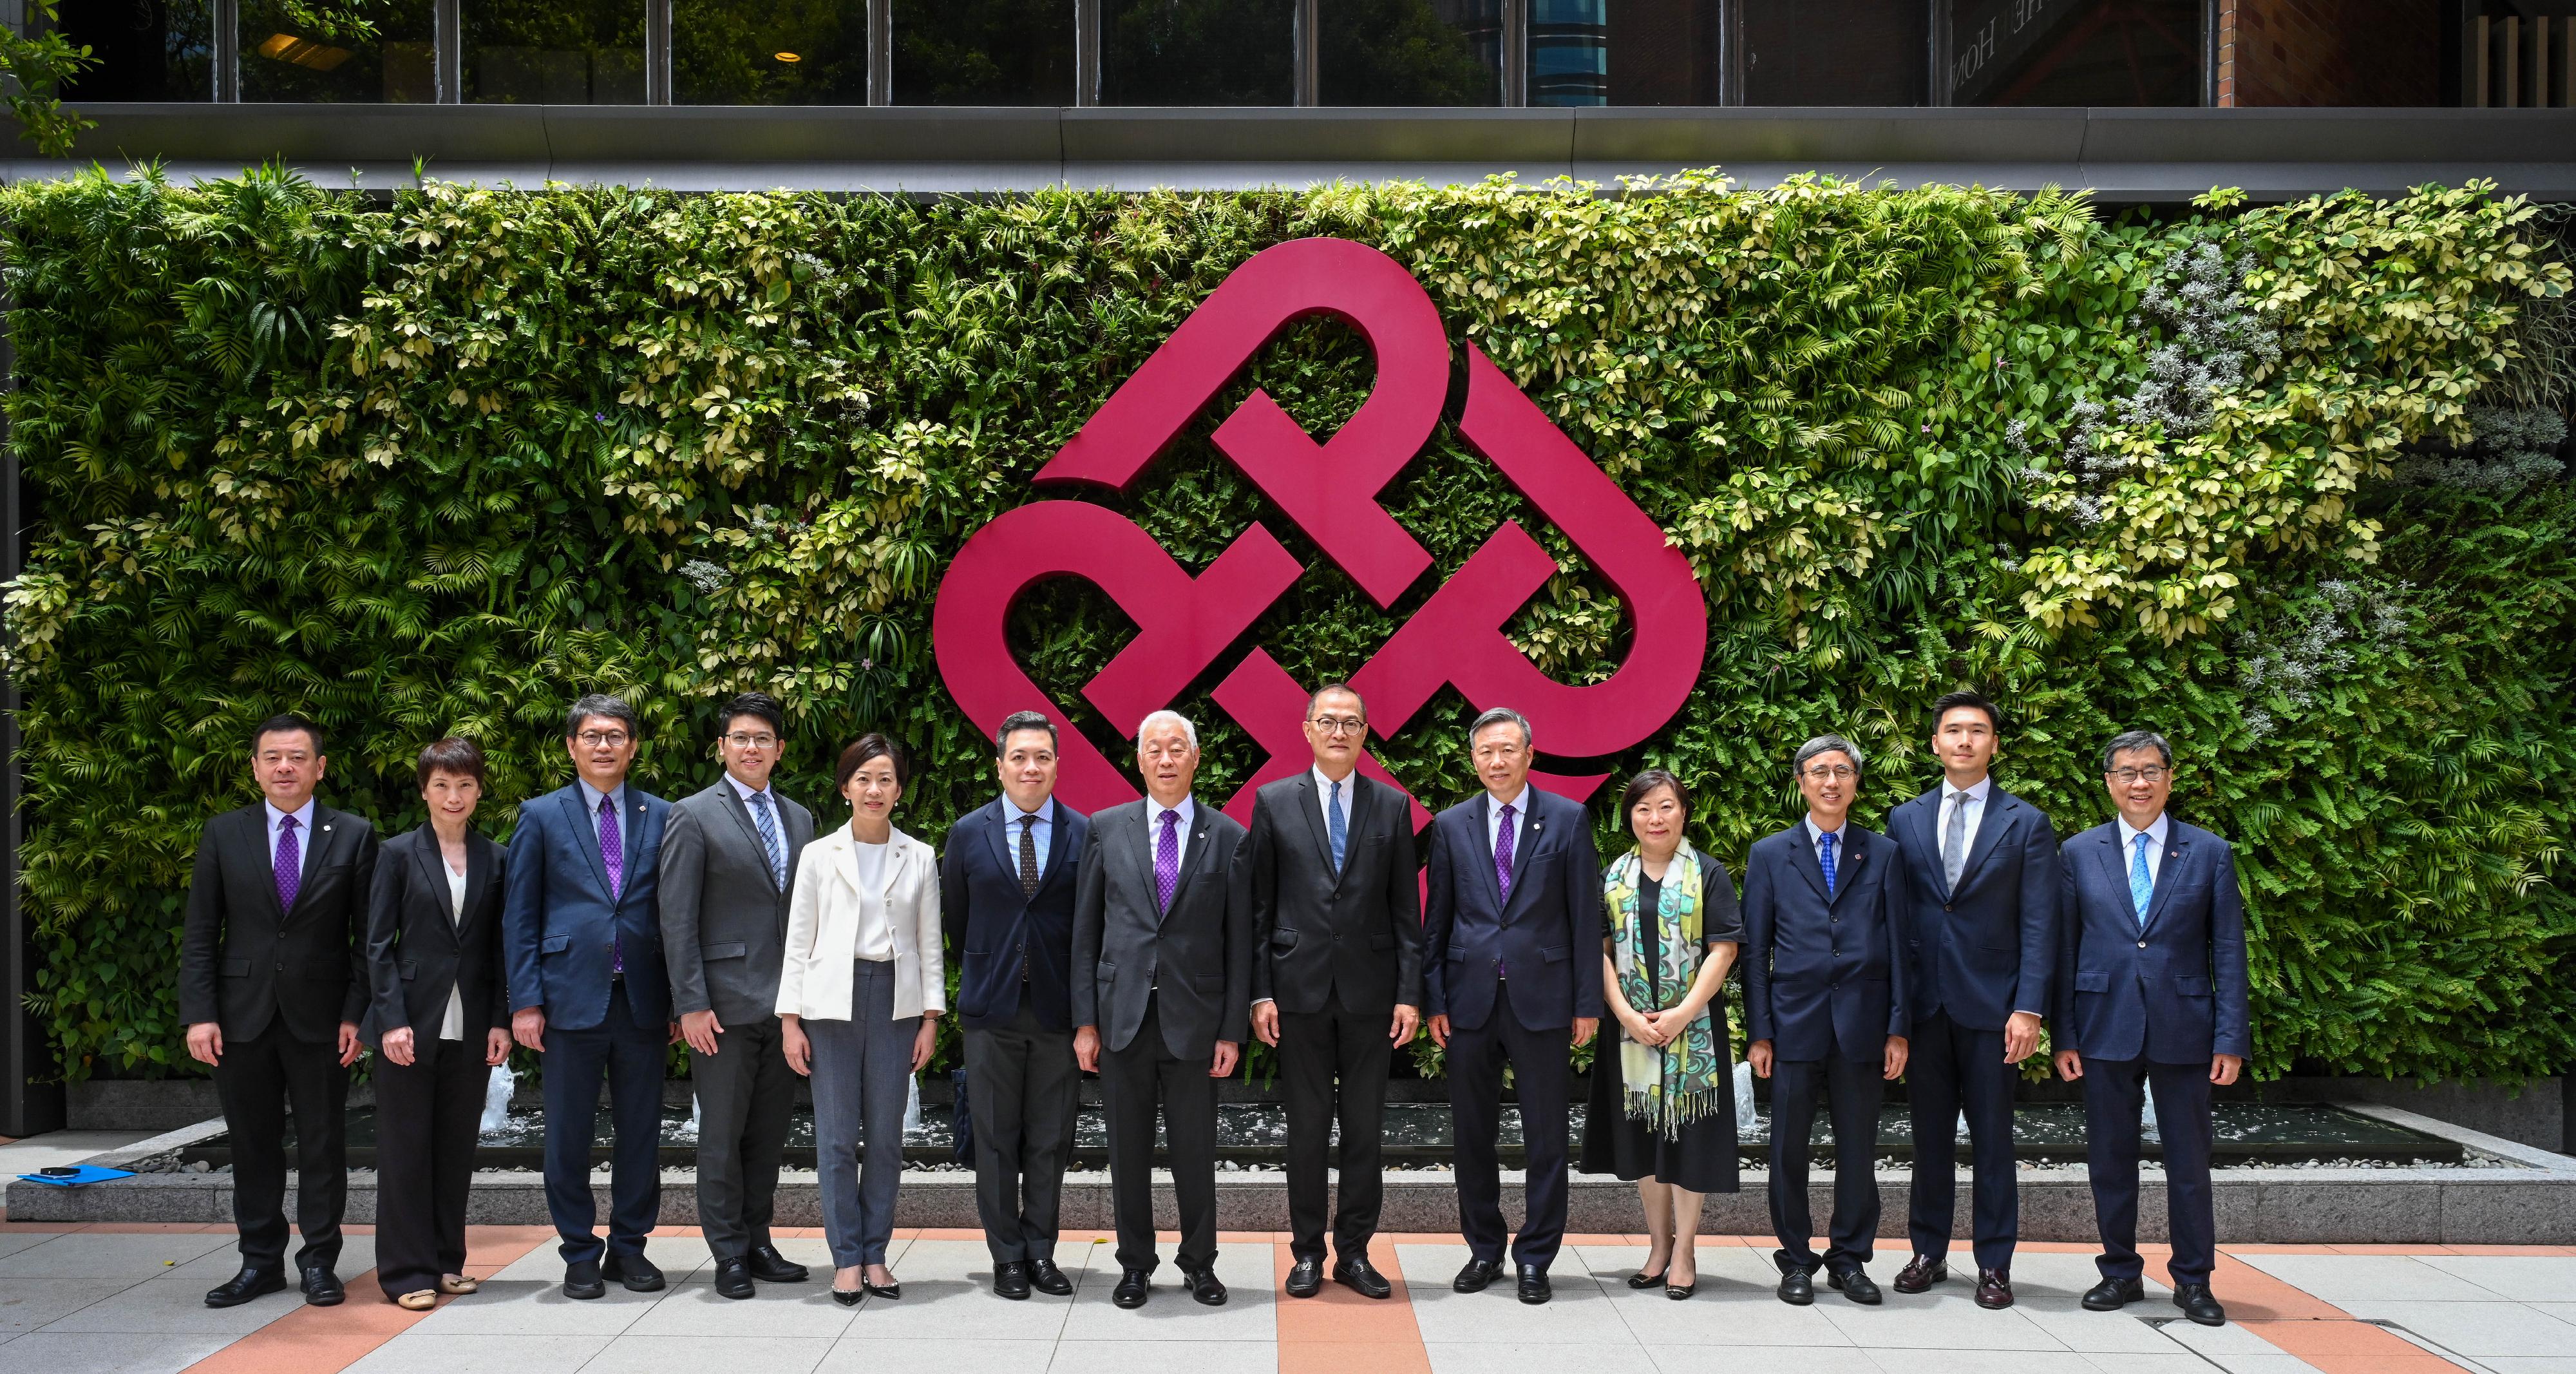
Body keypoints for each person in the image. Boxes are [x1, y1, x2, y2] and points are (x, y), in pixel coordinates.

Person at [178, 713, 379, 1310]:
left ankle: (319, 1261)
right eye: (272, 757)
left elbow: (368, 935)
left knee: (323, 1143)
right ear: (255, 766)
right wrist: (200, 1012)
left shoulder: (352, 833)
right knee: (251, 1143)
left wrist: (356, 1013)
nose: (284, 767)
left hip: (322, 1018)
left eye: (297, 757)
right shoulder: (223, 833)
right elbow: (200, 932)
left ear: (320, 767)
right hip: (239, 1017)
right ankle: (259, 1262)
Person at [2054, 729, 2249, 1328]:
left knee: (2188, 1161)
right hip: (2101, 1025)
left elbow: (2229, 952)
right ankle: (2119, 1272)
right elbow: (2064, 948)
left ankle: (2194, 1279)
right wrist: (2063, 1034)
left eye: (2150, 770)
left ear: (2170, 776)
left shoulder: (2209, 852)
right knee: (2110, 1159)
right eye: (2126, 772)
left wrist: (2230, 1038)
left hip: (2185, 1026)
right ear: (2108, 782)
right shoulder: (2078, 852)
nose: (2139, 782)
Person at [1245, 683, 1422, 1301]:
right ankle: (1305, 1252)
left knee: (1366, 1129)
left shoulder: (1392, 806)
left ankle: (1354, 1252)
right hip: (1297, 993)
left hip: (1372, 995)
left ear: (1365, 732)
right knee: (1307, 1128)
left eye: (1351, 721)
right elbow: (1259, 908)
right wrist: (1259, 992)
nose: (1340, 731)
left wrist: (1409, 993)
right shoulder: (1272, 802)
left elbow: (1406, 911)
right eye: (1329, 721)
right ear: (1308, 729)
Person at [1884, 690, 2059, 1308]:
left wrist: (2030, 1007)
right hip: (1926, 1009)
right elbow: (1895, 919)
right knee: (1927, 1139)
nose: (1964, 740)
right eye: (1953, 730)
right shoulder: (1904, 819)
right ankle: (1927, 1251)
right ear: (1934, 743)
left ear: (1993, 744)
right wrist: (1896, 1016)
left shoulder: (2027, 822)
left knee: (1993, 1140)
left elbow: (2041, 922)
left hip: (1995, 1010)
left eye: (1977, 731)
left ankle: (1995, 1264)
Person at [1072, 709, 1251, 1311]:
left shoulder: (1228, 836)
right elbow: (1086, 931)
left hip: (1195, 1022)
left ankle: (1200, 1263)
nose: (1167, 759)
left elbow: (1237, 942)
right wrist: (1085, 1021)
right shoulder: (1106, 827)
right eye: (1155, 749)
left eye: (1178, 748)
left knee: (1196, 1152)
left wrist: (1232, 1029)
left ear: (1196, 758)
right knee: (1127, 1153)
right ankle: (1134, 1264)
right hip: (1121, 1016)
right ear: (1140, 759)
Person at [1423, 706, 1602, 1306]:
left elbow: (1584, 920)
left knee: (1547, 1135)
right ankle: (1484, 1248)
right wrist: (1434, 998)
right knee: (1471, 1132)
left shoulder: (1568, 819)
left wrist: (1586, 1003)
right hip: (1469, 1000)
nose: (1496, 761)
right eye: (1485, 752)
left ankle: (1536, 1256)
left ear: (1530, 752)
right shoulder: (1450, 825)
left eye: (1507, 750)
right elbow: (1438, 918)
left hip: (1544, 999)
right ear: (1473, 759)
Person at [502, 693, 676, 1301]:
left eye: (616, 735)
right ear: (572, 745)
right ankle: (579, 1250)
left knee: (641, 1132)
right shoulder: (541, 815)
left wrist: (682, 1000)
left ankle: (630, 1247)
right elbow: (519, 913)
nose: (604, 745)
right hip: (567, 998)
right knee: (567, 1135)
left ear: (633, 746)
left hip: (644, 999)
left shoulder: (663, 814)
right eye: (592, 735)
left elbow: (675, 915)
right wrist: (525, 1000)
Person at [1743, 733, 1910, 1307]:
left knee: (1859, 1147)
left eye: (1842, 770)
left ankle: (1849, 1258)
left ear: (1856, 782)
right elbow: (1755, 950)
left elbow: (1899, 945)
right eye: (1820, 771)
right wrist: (1759, 1031)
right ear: (1801, 782)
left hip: (1863, 1025)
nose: (1831, 780)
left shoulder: (1884, 853)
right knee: (1788, 1147)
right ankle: (1795, 1259)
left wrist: (1898, 1026)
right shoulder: (1769, 854)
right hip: (1793, 1024)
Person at [658, 691, 816, 1299]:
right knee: (721, 1134)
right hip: (718, 1008)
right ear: (722, 746)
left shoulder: (800, 818)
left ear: (779, 748)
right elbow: (676, 917)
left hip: (784, 1009)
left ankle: (758, 1239)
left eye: (764, 738)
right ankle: (727, 1253)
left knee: (768, 1133)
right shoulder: (693, 814)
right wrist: (689, 1002)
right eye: (741, 738)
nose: (753, 747)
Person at [779, 734, 944, 1305]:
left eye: (886, 779)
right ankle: (845, 1258)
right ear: (846, 785)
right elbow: (799, 940)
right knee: (835, 1137)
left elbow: (929, 943)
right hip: (830, 1003)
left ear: (900, 790)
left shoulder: (919, 855)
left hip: (896, 1003)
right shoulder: (819, 854)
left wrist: (930, 1018)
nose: (874, 789)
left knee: (887, 1137)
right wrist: (790, 1019)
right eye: (863, 778)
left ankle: (876, 1253)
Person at [941, 710, 1091, 1300]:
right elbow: (957, 917)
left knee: (1049, 1138)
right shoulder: (967, 833)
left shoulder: (1085, 832)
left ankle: (1042, 1250)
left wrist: (1088, 1015)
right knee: (996, 1136)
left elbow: (1091, 926)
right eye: (1020, 757)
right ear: (1000, 764)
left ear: (1057, 765)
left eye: (1043, 757)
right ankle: (1006, 1255)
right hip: (991, 1009)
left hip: (1058, 1011)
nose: (1032, 767)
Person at [1580, 767, 1742, 1302]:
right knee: (1645, 1140)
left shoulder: (1708, 873)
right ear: (1630, 816)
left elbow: (1724, 949)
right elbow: (1598, 952)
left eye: (1667, 806)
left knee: (1689, 1141)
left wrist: (1682, 1013)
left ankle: (1687, 1249)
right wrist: (1625, 1012)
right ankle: (1657, 1245)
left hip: (1693, 1030)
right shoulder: (1611, 878)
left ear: (1684, 812)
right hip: (1631, 1032)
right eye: (1645, 807)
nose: (1656, 817)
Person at [361, 737, 509, 1310]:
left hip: (470, 1023)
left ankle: (448, 1261)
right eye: (442, 785)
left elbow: (501, 945)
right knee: (404, 1151)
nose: (454, 796)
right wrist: (390, 1020)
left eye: (465, 784)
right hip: (409, 1025)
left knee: (454, 1149)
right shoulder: (397, 853)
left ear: (478, 790)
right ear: (424, 789)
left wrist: (500, 1019)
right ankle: (404, 1271)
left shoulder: (496, 857)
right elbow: (376, 945)